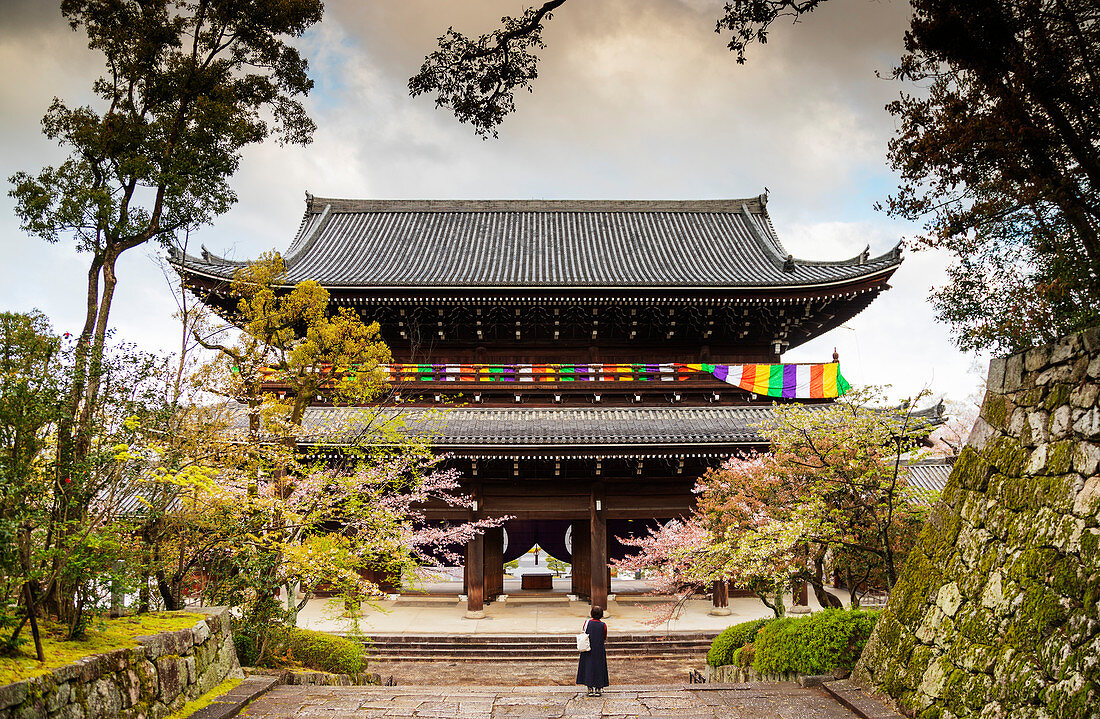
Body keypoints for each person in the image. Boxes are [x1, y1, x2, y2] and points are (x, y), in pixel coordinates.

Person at [576, 606, 609, 696]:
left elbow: (584, 632)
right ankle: (598, 688)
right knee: (599, 667)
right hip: (599, 649)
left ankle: (589, 688)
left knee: (588, 667)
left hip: (588, 648)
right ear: (602, 615)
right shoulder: (603, 625)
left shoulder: (587, 623)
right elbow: (604, 637)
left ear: (591, 614)